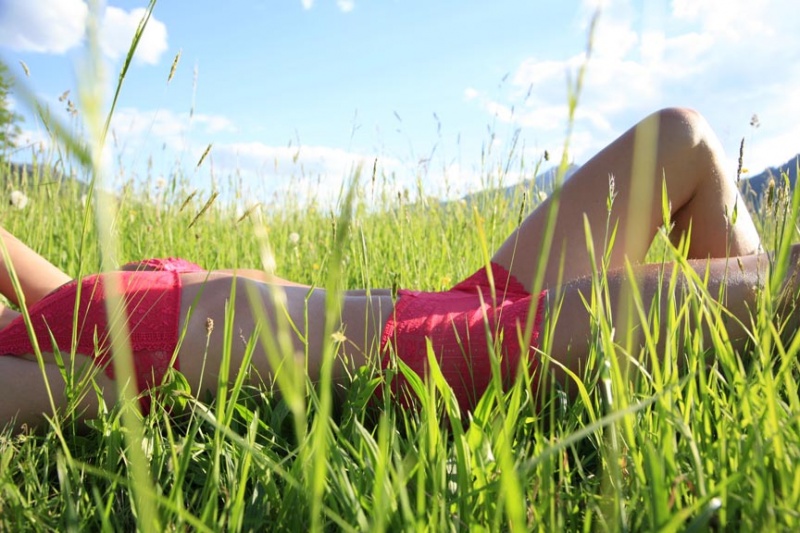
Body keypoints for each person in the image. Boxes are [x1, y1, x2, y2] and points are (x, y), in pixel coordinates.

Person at [0, 107, 780, 429]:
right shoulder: (19, 369)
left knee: (683, 139)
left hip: (440, 301)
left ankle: (752, 400)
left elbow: (54, 285)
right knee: (765, 290)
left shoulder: (42, 315)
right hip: (406, 357)